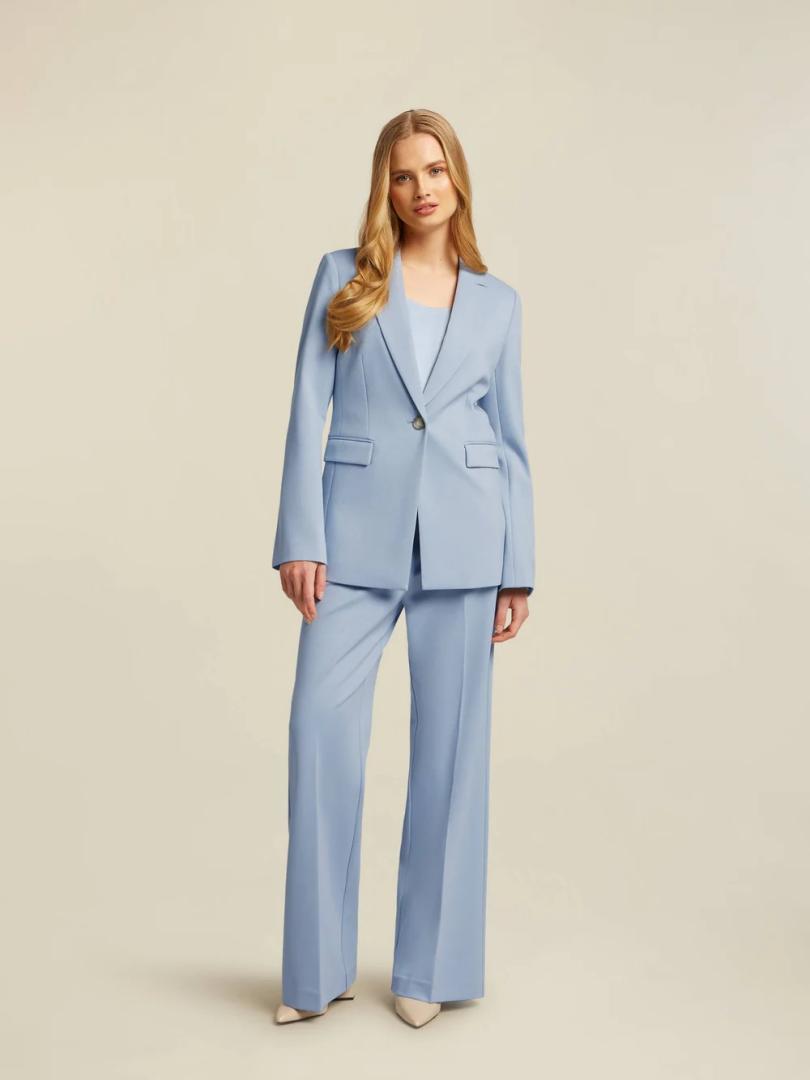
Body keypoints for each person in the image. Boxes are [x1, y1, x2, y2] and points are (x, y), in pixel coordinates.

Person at [272, 108, 535, 1028]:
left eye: (435, 169)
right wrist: (300, 536)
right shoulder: (343, 277)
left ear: (457, 178)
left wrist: (518, 565)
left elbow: (509, 439)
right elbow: (306, 404)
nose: (421, 188)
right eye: (402, 174)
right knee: (319, 735)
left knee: (452, 761)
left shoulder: (497, 304)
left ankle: (428, 970)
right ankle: (315, 973)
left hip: (468, 539)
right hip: (351, 536)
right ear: (383, 188)